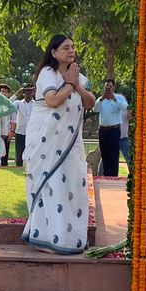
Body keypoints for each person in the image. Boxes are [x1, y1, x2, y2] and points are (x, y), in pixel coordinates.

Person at [21, 34, 96, 254]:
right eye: (65, 48)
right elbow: (53, 101)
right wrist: (69, 84)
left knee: (73, 186)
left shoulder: (77, 76)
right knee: (52, 185)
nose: (71, 51)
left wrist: (76, 84)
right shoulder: (48, 73)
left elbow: (90, 102)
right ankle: (48, 237)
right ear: (54, 53)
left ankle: (70, 238)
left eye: (73, 47)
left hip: (71, 146)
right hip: (47, 145)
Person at [92, 79, 128, 177]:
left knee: (114, 155)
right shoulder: (100, 99)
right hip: (103, 130)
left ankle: (113, 177)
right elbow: (95, 109)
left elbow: (125, 108)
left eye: (110, 87)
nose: (108, 89)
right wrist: (102, 98)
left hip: (114, 130)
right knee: (105, 155)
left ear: (113, 87)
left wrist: (114, 99)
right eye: (106, 87)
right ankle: (105, 176)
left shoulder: (119, 98)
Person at [12, 85, 35, 168]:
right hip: (20, 132)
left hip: (33, 133)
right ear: (23, 93)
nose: (28, 93)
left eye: (30, 91)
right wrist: (16, 94)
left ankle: (32, 170)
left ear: (33, 92)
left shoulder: (36, 104)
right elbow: (9, 105)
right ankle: (18, 168)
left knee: (32, 154)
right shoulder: (18, 103)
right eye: (26, 91)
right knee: (19, 154)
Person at [0, 84, 16, 166]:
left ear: (8, 94)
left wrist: (12, 132)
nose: (3, 93)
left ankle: (4, 168)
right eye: (2, 91)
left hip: (7, 132)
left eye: (5, 92)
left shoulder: (11, 105)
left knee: (5, 155)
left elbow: (14, 120)